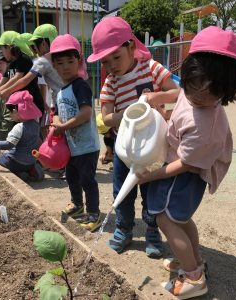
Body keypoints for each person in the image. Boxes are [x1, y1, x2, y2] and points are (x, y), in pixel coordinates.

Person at [136, 26, 236, 299]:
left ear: (226, 89)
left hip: (186, 174)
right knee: (182, 219)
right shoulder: (194, 87)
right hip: (181, 163)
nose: (195, 97)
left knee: (165, 218)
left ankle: (194, 277)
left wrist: (150, 176)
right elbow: (180, 95)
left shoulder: (205, 127)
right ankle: (194, 261)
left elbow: (186, 164)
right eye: (190, 87)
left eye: (205, 95)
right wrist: (158, 97)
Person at [87, 16, 180, 256]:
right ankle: (124, 228)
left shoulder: (151, 69)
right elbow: (106, 117)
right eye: (106, 62)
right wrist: (130, 115)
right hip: (124, 147)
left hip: (153, 146)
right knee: (122, 190)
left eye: (116, 57)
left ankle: (151, 230)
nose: (113, 65)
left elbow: (177, 93)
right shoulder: (111, 82)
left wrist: (155, 101)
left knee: (151, 190)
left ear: (131, 47)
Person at [49, 34, 101, 232]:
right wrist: (55, 124)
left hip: (87, 146)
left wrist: (64, 127)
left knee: (87, 180)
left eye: (70, 61)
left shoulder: (81, 86)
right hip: (71, 147)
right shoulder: (61, 91)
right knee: (72, 177)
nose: (66, 67)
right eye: (60, 63)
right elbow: (55, 113)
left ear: (78, 61)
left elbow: (86, 113)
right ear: (54, 65)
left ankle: (94, 213)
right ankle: (77, 204)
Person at [0, 31, 44, 140]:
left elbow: (17, 78)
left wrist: (4, 91)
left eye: (2, 49)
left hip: (31, 103)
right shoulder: (12, 64)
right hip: (19, 104)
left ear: (9, 47)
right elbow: (3, 81)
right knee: (21, 133)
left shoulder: (24, 59)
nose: (2, 52)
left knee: (33, 133)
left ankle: (40, 153)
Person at [0, 90, 44, 182]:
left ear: (14, 111)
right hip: (31, 160)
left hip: (18, 161)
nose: (9, 114)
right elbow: (38, 141)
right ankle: (31, 169)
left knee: (2, 158)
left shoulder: (19, 127)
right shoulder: (36, 124)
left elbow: (9, 145)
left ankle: (19, 173)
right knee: (22, 156)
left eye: (9, 111)